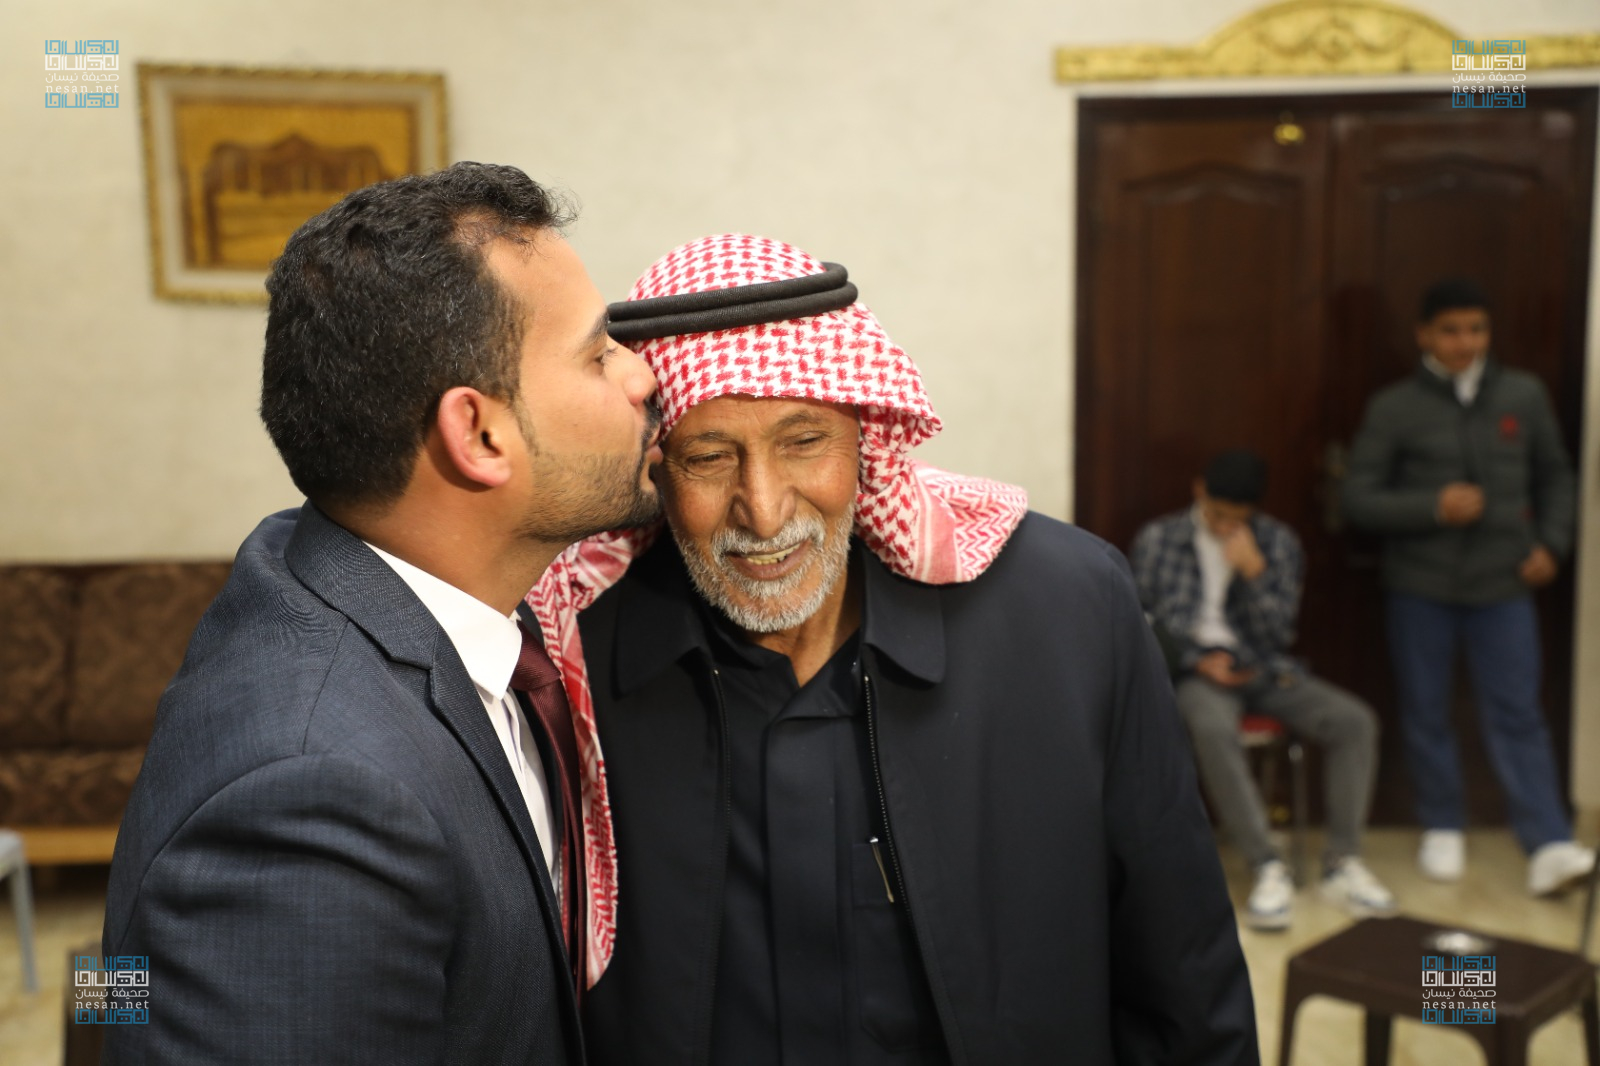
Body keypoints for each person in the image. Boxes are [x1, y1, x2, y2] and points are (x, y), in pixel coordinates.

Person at [523, 234, 1258, 1065]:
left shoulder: (1069, 613)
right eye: (709, 457)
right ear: (655, 469)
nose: (764, 510)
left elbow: (1184, 976)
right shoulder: (568, 656)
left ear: (866, 437)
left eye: (804, 442)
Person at [101, 162, 661, 1063]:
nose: (641, 376)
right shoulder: (313, 795)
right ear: (478, 434)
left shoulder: (387, 586)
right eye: (598, 356)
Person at [1343, 278, 1593, 897]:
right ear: (1424, 335)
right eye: (1451, 331)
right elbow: (1358, 499)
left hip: (1503, 584)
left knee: (1518, 712)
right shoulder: (1394, 407)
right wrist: (1433, 507)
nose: (1466, 343)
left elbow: (1557, 476)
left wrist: (1552, 545)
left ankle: (1548, 841)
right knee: (1426, 709)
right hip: (1420, 586)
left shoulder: (1523, 395)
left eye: (1476, 329)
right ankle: (1442, 823)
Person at [1131, 451, 1395, 932]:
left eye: (1237, 518)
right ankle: (1266, 863)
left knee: (1355, 721)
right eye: (1217, 514)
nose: (1224, 526)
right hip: (1197, 673)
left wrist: (1254, 573)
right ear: (1199, 491)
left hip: (1265, 671)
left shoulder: (1277, 542)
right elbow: (1140, 625)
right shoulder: (1159, 539)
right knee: (1211, 727)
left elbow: (1279, 634)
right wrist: (1195, 659)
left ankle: (1342, 863)